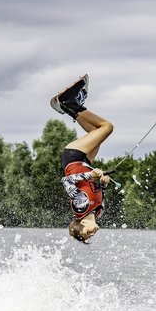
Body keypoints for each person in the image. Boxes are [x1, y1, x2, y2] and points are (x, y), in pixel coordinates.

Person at [50, 74, 113, 243]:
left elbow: (67, 181)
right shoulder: (98, 212)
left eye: (87, 233)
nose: (92, 234)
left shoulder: (80, 206)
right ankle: (68, 107)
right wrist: (103, 182)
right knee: (95, 131)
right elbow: (97, 189)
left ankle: (70, 103)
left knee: (106, 127)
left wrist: (90, 176)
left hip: (74, 157)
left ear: (82, 223)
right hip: (86, 162)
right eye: (90, 236)